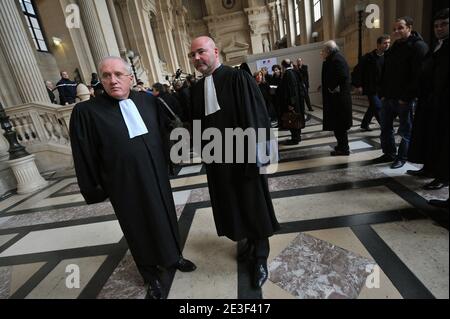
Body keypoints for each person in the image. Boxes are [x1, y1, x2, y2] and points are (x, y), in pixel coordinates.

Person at [69, 57, 196, 299]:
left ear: (130, 78)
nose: (112, 80)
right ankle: (150, 275)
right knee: (138, 227)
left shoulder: (148, 101)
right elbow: (83, 152)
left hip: (156, 176)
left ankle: (174, 257)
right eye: (106, 76)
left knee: (165, 215)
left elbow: (163, 132)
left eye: (118, 74)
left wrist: (171, 162)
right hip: (123, 183)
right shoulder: (87, 111)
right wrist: (95, 186)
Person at [188, 36, 280, 289]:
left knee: (253, 203)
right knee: (232, 203)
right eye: (192, 55)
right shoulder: (196, 89)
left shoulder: (237, 77)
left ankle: (260, 255)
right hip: (218, 160)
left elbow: (256, 116)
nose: (197, 58)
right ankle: (248, 241)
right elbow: (197, 125)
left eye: (201, 52)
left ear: (215, 51)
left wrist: (261, 155)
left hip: (244, 156)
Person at [377, 16, 429, 169]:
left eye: (400, 28)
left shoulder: (418, 46)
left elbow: (418, 75)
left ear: (409, 28)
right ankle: (389, 153)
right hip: (389, 96)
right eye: (394, 29)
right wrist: (383, 93)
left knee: (405, 130)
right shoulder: (395, 46)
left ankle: (402, 157)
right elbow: (386, 72)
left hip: (405, 98)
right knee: (385, 127)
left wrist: (406, 97)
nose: (396, 31)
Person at [408, 8, 449, 194]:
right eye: (436, 26)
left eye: (444, 25)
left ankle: (443, 177)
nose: (439, 28)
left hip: (444, 102)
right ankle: (430, 167)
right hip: (430, 100)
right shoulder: (436, 45)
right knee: (431, 136)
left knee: (443, 141)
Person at [352, 35, 391, 131]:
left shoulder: (388, 57)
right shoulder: (368, 57)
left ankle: (365, 124)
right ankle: (384, 126)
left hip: (382, 88)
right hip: (370, 87)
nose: (387, 45)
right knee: (377, 106)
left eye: (389, 43)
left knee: (373, 107)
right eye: (385, 43)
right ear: (378, 44)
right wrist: (358, 85)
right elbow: (357, 71)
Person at [321, 40, 353, 156]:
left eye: (323, 50)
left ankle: (344, 149)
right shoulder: (333, 59)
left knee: (340, 126)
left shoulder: (336, 59)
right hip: (336, 99)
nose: (321, 53)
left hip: (339, 100)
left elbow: (342, 76)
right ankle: (341, 146)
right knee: (338, 125)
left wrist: (331, 87)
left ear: (329, 51)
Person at [278, 59, 305, 145]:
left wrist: (291, 104)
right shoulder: (294, 72)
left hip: (293, 102)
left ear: (283, 66)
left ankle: (295, 138)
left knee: (293, 120)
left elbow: (291, 90)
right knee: (296, 119)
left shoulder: (288, 74)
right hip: (297, 101)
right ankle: (297, 137)